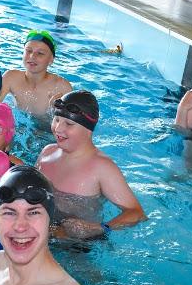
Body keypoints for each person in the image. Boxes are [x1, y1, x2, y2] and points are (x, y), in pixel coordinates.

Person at [36, 90, 146, 239]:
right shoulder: (47, 152)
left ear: (88, 129)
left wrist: (99, 228)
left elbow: (137, 213)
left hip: (78, 244)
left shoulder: (102, 168)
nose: (58, 128)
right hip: (40, 231)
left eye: (69, 123)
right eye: (56, 120)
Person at [0, 30, 72, 117]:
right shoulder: (11, 77)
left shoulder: (62, 87)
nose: (32, 56)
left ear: (51, 60)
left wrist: (54, 112)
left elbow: (68, 122)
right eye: (28, 51)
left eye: (40, 53)